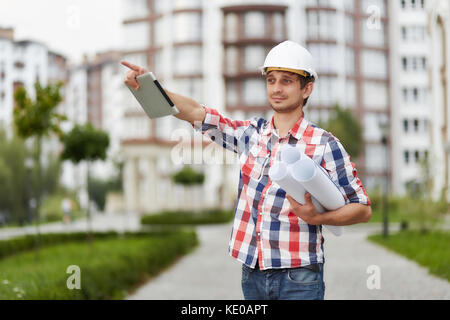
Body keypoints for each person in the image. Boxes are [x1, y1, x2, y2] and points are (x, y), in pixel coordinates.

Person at [121, 40, 372, 300]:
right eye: (271, 80)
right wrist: (151, 87)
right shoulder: (251, 134)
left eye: (286, 81)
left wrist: (318, 218)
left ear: (307, 88)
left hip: (299, 275)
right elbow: (197, 112)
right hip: (251, 272)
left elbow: (363, 209)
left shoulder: (325, 144)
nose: (276, 88)